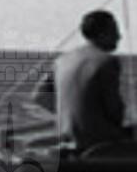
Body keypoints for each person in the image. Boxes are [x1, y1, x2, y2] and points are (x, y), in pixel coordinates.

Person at [52, 9, 126, 151]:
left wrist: (72, 115)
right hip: (97, 145)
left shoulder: (61, 60)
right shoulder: (107, 61)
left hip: (65, 140)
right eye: (114, 31)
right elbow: (115, 111)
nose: (119, 37)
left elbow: (39, 97)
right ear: (102, 34)